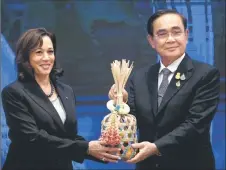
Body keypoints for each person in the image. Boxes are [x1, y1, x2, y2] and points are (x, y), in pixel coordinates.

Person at [109, 9, 220, 170]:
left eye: (176, 32)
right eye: (162, 34)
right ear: (151, 41)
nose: (170, 39)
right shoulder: (140, 77)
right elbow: (132, 121)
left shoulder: (205, 75)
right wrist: (121, 102)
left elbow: (196, 124)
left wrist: (156, 147)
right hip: (148, 165)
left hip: (190, 164)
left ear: (186, 35)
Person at [1, 28, 120, 170]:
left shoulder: (65, 91)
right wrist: (86, 148)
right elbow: (32, 138)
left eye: (50, 52)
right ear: (26, 57)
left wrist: (102, 151)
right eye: (39, 52)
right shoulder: (14, 92)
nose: (46, 58)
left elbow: (68, 137)